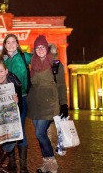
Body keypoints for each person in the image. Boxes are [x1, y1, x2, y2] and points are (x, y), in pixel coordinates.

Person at [26, 35, 60, 173]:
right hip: (35, 103)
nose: (40, 49)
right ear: (34, 50)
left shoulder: (54, 62)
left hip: (49, 103)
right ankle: (46, 163)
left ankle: (52, 163)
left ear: (46, 48)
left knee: (40, 133)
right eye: (37, 47)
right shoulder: (32, 64)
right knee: (41, 134)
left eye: (42, 47)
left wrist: (63, 105)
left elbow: (61, 84)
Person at [1, 34, 32, 172]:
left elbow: (41, 57)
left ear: (17, 44)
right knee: (9, 129)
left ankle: (23, 166)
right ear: (4, 44)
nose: (11, 45)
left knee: (20, 128)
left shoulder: (25, 56)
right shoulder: (3, 60)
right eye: (8, 42)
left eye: (14, 42)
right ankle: (12, 162)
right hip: (7, 99)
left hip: (22, 97)